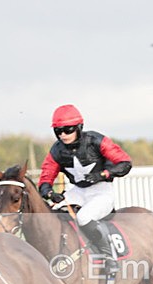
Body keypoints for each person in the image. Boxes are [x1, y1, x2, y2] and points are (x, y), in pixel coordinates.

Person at [38, 104, 132, 275]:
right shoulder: (56, 150)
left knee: (83, 217)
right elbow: (45, 177)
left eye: (68, 129)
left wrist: (102, 175)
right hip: (77, 191)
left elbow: (125, 163)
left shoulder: (96, 140)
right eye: (58, 131)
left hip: (101, 190)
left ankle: (109, 257)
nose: (63, 135)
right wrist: (50, 193)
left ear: (79, 127)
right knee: (50, 215)